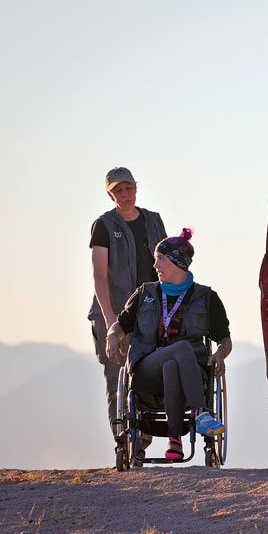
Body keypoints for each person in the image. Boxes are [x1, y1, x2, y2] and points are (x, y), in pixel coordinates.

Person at [105, 228, 232, 460]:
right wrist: (112, 336)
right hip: (146, 368)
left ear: (177, 262)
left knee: (172, 365)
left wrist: (220, 355)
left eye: (160, 259)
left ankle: (175, 441)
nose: (156, 266)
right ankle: (200, 413)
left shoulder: (206, 298)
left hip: (188, 374)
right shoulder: (145, 293)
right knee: (182, 348)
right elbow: (121, 324)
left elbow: (225, 339)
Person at [89, 167, 166, 461]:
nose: (125, 194)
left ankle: (142, 442)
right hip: (114, 311)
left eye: (129, 188)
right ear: (111, 194)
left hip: (149, 313)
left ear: (136, 188)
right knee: (117, 377)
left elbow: (168, 264)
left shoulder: (154, 221)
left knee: (147, 376)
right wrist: (111, 324)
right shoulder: (104, 225)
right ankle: (124, 444)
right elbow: (99, 276)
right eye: (118, 190)